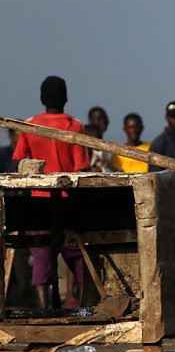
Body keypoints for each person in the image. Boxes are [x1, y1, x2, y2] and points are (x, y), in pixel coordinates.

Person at [12, 76, 89, 308]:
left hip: (38, 202)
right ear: (65, 98)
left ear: (42, 98)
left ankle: (44, 310)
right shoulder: (74, 126)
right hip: (67, 201)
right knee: (78, 257)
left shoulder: (30, 125)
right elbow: (82, 168)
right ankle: (85, 310)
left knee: (42, 257)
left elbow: (18, 161)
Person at [86, 106, 112, 172]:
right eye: (99, 118)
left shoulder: (105, 144)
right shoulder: (86, 142)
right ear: (90, 120)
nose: (104, 121)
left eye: (105, 118)